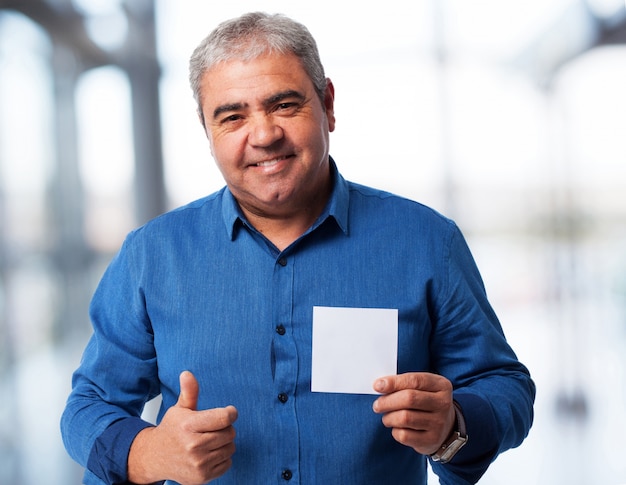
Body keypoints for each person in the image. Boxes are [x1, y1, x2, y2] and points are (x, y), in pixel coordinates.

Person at [61, 11, 535, 485]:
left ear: (327, 104)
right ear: (208, 132)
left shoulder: (428, 242)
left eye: (285, 105)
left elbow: (505, 387)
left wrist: (452, 426)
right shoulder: (151, 256)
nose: (264, 135)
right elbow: (89, 406)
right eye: (232, 116)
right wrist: (147, 453)